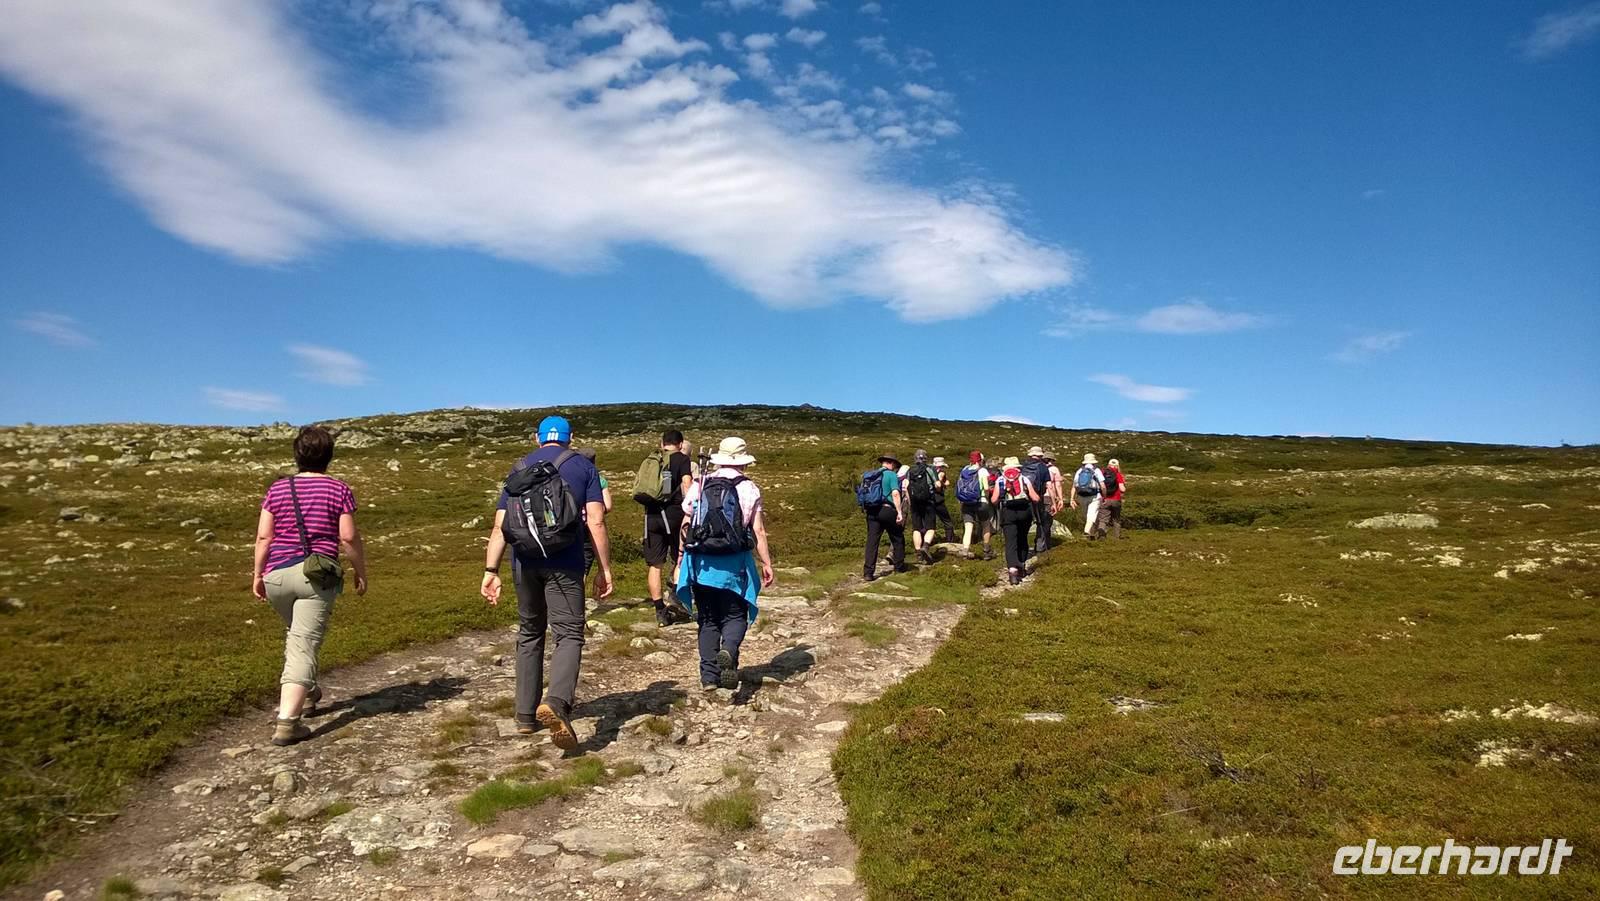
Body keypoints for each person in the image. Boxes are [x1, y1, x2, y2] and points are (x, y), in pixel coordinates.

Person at [481, 415, 614, 750]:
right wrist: (604, 568)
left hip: (524, 562)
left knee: (529, 631)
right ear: (571, 439)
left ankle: (525, 715)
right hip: (566, 563)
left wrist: (490, 570)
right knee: (568, 633)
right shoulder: (583, 467)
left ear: (537, 438)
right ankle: (555, 702)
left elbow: (500, 526)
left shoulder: (520, 467)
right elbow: (596, 521)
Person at [252, 425, 369, 747]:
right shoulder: (338, 490)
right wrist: (361, 572)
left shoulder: (276, 490)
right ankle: (288, 722)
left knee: (298, 638)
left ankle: (309, 693)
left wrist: (258, 574)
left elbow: (265, 536)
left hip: (276, 575)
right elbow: (347, 537)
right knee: (303, 644)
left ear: (297, 454)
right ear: (329, 456)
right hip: (315, 577)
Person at [674, 437, 775, 691]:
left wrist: (679, 558)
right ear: (743, 461)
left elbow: (686, 525)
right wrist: (766, 563)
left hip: (700, 563)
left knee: (707, 619)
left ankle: (709, 678)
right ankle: (729, 650)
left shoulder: (701, 482)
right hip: (734, 563)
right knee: (735, 614)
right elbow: (758, 531)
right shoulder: (749, 488)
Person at [639, 431, 693, 626]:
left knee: (655, 565)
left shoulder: (652, 459)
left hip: (651, 516)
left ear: (662, 443)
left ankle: (659, 610)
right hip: (674, 515)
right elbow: (686, 484)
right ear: (680, 443)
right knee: (679, 558)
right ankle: (677, 602)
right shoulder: (682, 459)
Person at [989, 455, 1041, 585]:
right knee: (1022, 538)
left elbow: (994, 500)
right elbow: (1035, 498)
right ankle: (1021, 566)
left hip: (1008, 513)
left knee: (1010, 542)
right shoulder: (1024, 479)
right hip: (1024, 512)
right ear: (1018, 467)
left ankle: (1012, 572)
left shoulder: (1000, 480)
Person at [862, 454, 907, 581]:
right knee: (897, 537)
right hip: (887, 509)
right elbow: (896, 493)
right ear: (892, 464)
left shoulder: (871, 475)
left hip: (872, 510)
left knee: (872, 541)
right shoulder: (891, 475)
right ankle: (899, 567)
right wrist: (899, 512)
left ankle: (868, 573)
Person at [576, 447, 611, 579]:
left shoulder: (572, 476)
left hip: (573, 524)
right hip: (591, 527)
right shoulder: (599, 479)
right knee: (585, 562)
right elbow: (608, 505)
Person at [955, 450, 993, 560]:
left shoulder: (964, 470)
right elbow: (986, 488)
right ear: (980, 460)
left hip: (966, 502)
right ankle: (986, 550)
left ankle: (965, 550)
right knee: (986, 524)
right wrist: (986, 497)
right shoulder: (982, 471)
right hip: (981, 502)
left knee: (968, 527)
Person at [905, 450, 940, 564]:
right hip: (928, 501)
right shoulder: (930, 469)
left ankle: (918, 554)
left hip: (914, 502)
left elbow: (905, 487)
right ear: (925, 458)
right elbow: (937, 484)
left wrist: (910, 501)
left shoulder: (910, 470)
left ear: (915, 459)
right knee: (930, 527)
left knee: (916, 528)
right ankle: (925, 546)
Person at [1069, 453, 1107, 540]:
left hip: (1081, 496)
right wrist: (1104, 496)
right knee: (1092, 516)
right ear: (1094, 462)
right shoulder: (1096, 470)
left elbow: (1074, 486)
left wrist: (1072, 499)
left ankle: (1091, 534)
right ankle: (1086, 532)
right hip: (1094, 496)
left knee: (1086, 516)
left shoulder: (1079, 471)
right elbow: (1103, 485)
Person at [1023, 447, 1053, 554]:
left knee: (1024, 523)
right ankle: (1040, 546)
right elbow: (1049, 485)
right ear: (1041, 456)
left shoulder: (1023, 465)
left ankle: (1023, 547)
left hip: (1024, 498)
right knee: (1041, 522)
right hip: (1037, 498)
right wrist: (1054, 501)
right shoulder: (1043, 467)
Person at [1096, 457, 1127, 540]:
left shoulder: (1102, 472)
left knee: (1103, 519)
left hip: (1104, 499)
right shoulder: (1118, 474)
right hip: (1116, 499)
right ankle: (1116, 537)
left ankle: (1101, 536)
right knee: (1116, 519)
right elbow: (1122, 489)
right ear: (1117, 466)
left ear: (1108, 465)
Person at [930, 456, 959, 544]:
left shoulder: (929, 471)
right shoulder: (941, 473)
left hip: (929, 500)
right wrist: (943, 484)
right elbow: (938, 487)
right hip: (938, 500)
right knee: (947, 522)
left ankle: (927, 542)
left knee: (930, 523)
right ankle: (949, 541)